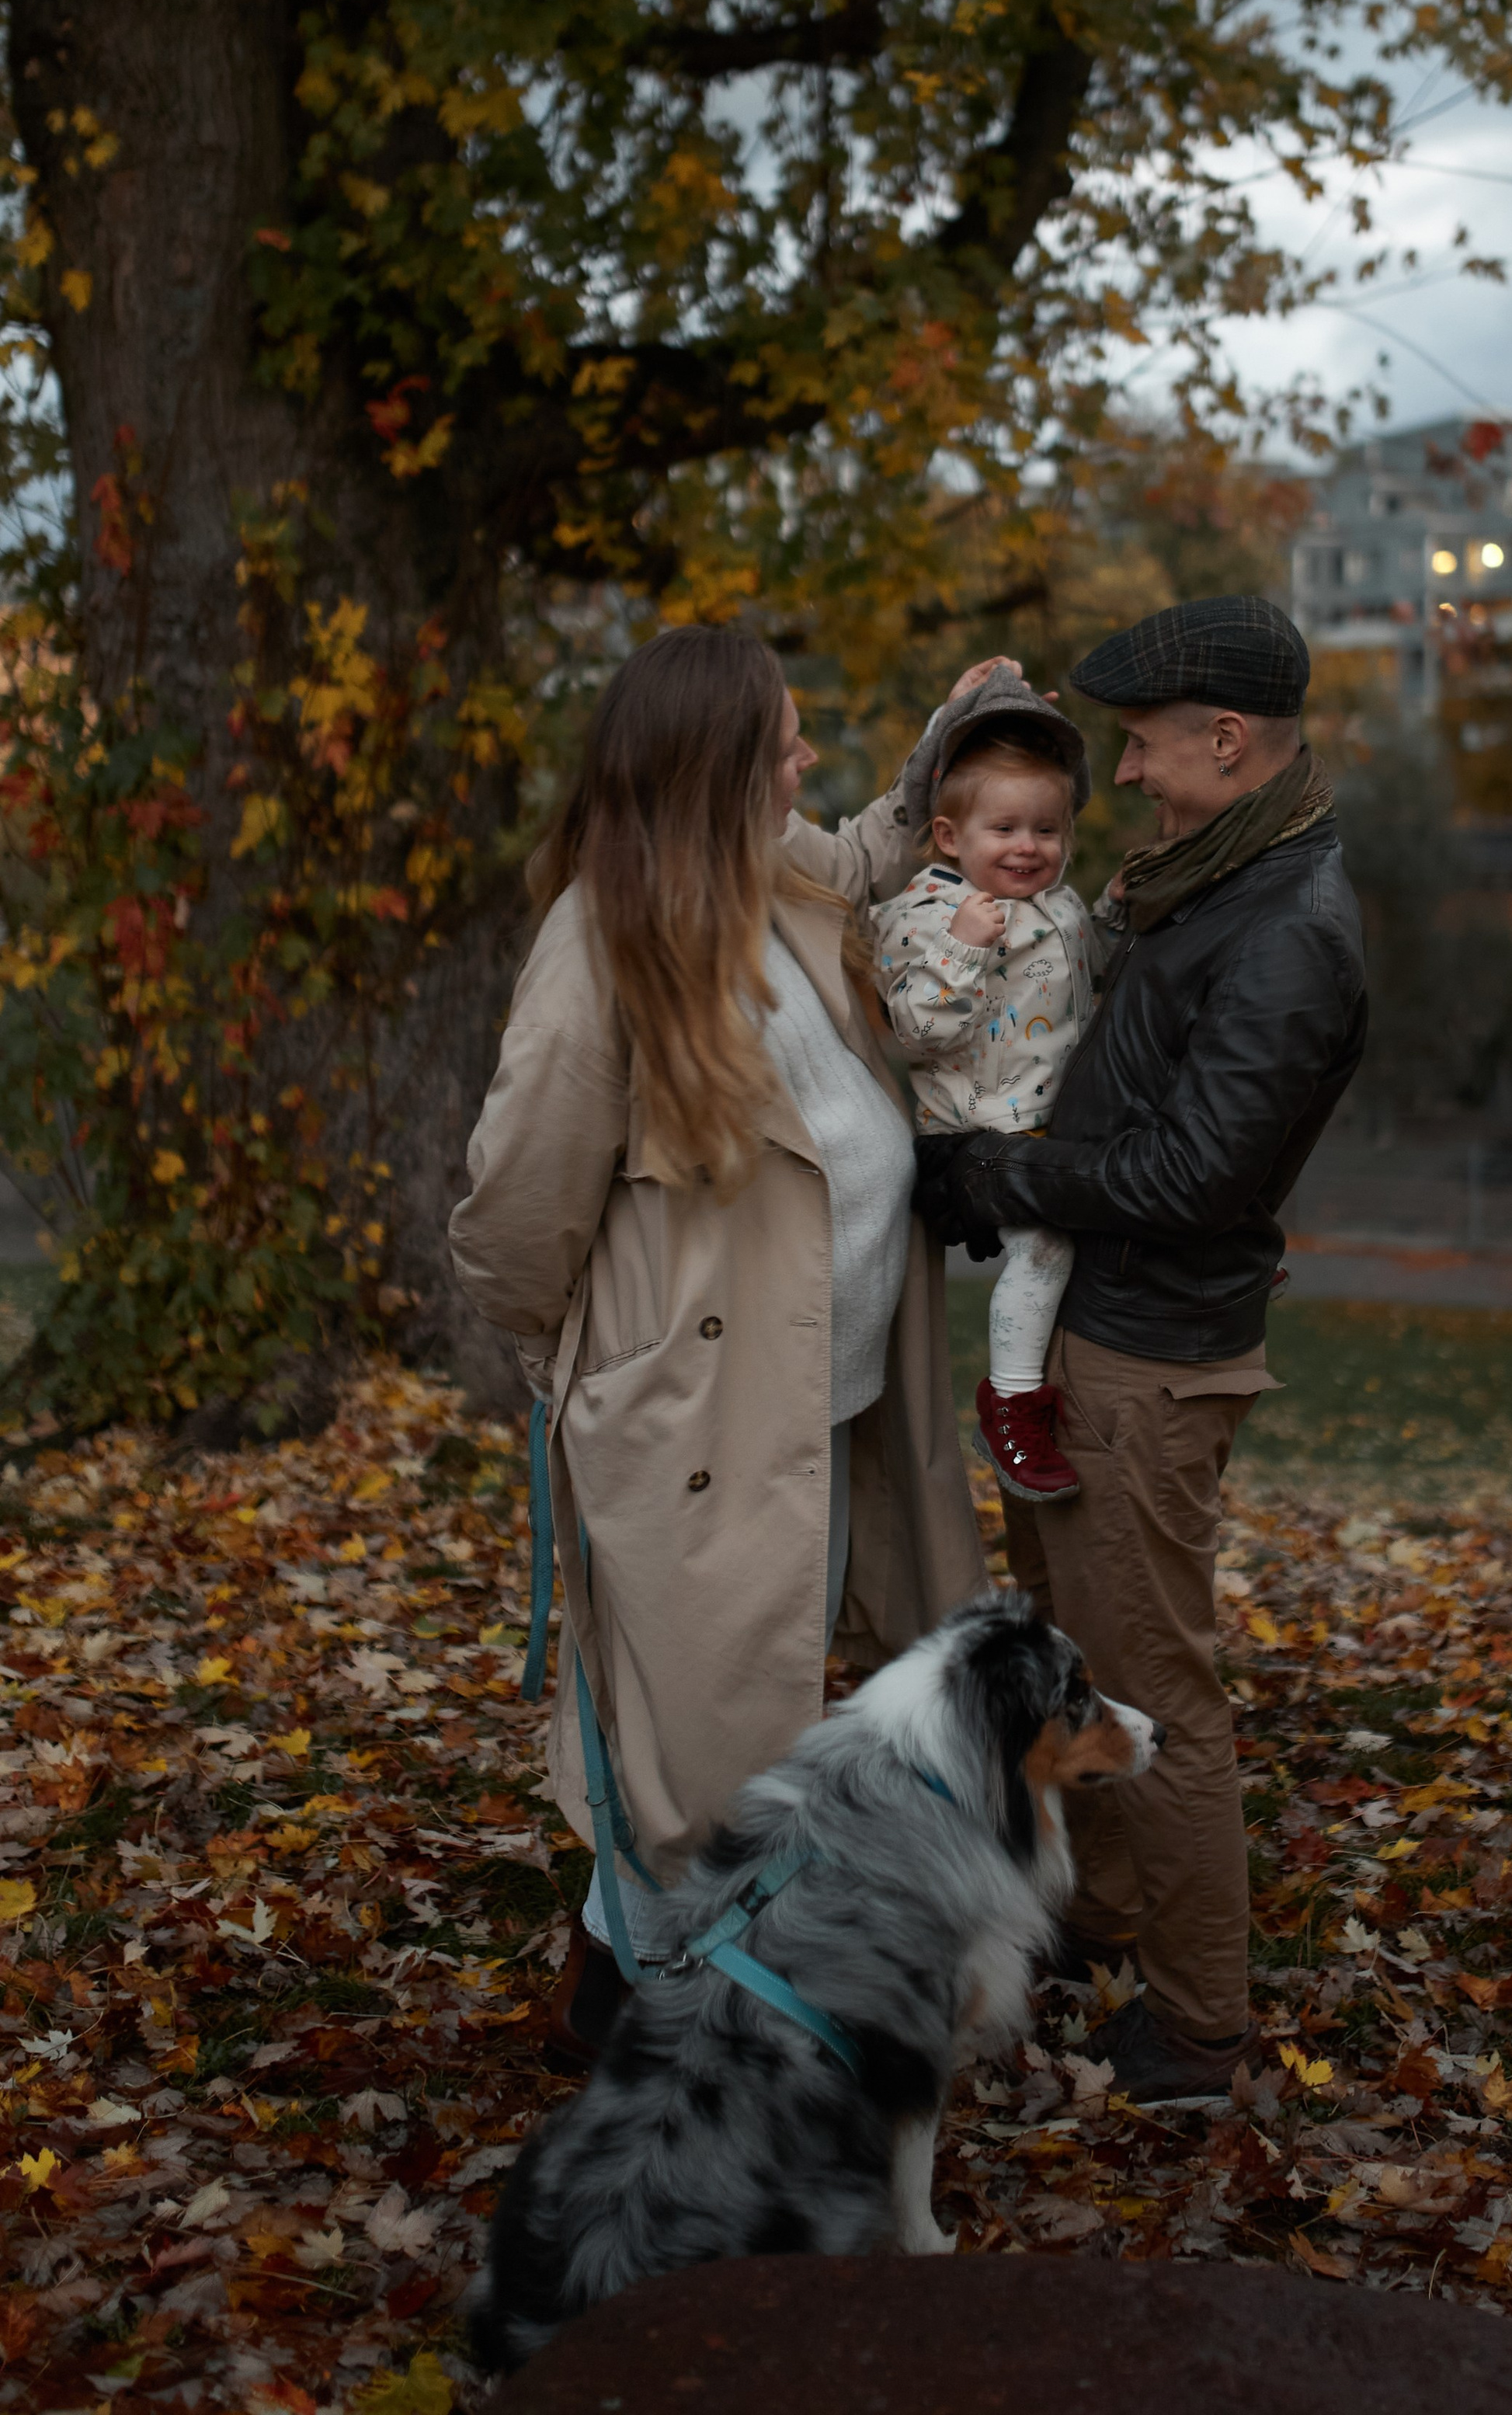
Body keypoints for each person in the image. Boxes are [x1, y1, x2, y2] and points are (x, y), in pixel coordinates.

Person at [450, 625, 996, 2062]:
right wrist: (592, 1364)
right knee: (699, 1734)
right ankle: (671, 2024)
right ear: (718, 770)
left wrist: (946, 748)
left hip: (822, 1393)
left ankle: (640, 1991)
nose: (805, 759)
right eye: (784, 742)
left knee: (752, 1709)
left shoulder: (764, 871)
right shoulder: (601, 944)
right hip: (700, 1408)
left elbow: (865, 858)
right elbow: (516, 1212)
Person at [915, 593, 1367, 2105]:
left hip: (1150, 1362)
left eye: (1142, 746)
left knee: (1158, 1690)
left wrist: (999, 1175)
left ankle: (1198, 2021)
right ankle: (1101, 1914)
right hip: (1088, 1335)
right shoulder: (1207, 878)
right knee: (1076, 1656)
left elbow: (1195, 1176)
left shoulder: (1287, 929)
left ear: (1226, 740)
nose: (1122, 775)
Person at [870, 673, 1101, 1509]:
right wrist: (963, 949)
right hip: (971, 1138)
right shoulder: (924, 916)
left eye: (1047, 829)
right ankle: (1009, 1404)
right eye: (1003, 829)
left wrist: (1113, 918)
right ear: (948, 834)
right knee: (1047, 1247)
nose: (1027, 847)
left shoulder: (1059, 905)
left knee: (1135, 1186)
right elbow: (916, 1033)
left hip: (1052, 1124)